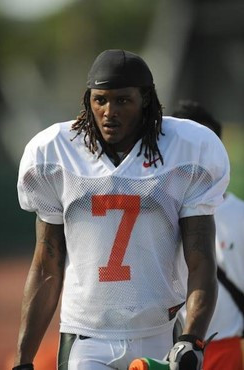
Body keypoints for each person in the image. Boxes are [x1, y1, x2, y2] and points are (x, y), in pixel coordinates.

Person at [13, 50, 230, 370]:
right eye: (100, 100)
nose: (109, 111)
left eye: (122, 100)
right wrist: (22, 360)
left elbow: (200, 261)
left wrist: (192, 338)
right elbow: (47, 266)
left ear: (145, 100)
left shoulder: (187, 150)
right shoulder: (55, 154)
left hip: (159, 335)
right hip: (87, 338)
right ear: (88, 101)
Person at [172, 100, 244, 370]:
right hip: (166, 348)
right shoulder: (155, 213)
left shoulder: (240, 216)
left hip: (225, 349)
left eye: (204, 148)